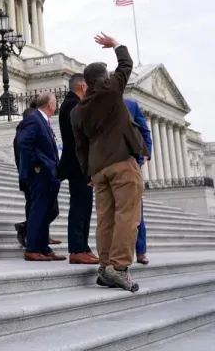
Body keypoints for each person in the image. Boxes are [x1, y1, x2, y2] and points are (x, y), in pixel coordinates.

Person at [71, 33, 148, 292]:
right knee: (128, 215)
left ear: (86, 82)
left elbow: (79, 146)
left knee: (105, 219)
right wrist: (116, 45)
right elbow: (126, 65)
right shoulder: (112, 90)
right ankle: (119, 267)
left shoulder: (77, 111)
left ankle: (105, 266)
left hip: (98, 169)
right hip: (122, 162)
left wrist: (88, 174)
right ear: (104, 78)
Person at [17, 92, 65, 261]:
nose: (56, 105)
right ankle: (32, 248)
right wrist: (37, 164)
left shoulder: (43, 120)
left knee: (46, 211)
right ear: (49, 104)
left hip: (50, 173)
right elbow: (23, 142)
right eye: (55, 102)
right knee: (38, 210)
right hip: (40, 174)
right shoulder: (34, 119)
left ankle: (44, 247)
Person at [58, 74, 99, 265]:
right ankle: (76, 249)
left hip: (80, 163)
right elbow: (82, 135)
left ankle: (83, 245)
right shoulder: (72, 105)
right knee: (79, 206)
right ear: (83, 86)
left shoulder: (72, 103)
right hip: (77, 163)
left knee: (85, 206)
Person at [125, 98, 153, 265]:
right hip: (106, 165)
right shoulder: (96, 104)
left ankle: (140, 250)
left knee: (137, 210)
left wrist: (145, 153)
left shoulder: (131, 105)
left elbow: (144, 131)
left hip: (131, 162)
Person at [13, 105, 37, 247]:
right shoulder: (23, 134)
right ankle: (27, 229)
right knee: (41, 207)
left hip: (26, 176)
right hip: (29, 176)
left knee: (33, 206)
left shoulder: (21, 132)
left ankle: (33, 230)